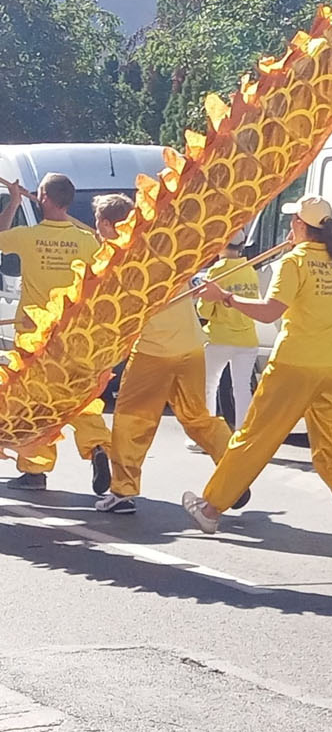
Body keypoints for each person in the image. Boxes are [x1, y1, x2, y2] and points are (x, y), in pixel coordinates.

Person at [184, 195, 332, 549]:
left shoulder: (294, 261)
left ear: (301, 225)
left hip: (294, 364)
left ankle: (211, 509)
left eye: (295, 220)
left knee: (255, 438)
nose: (291, 224)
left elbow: (269, 312)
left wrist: (225, 297)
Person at [89, 195, 234, 514]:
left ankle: (123, 491)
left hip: (153, 351)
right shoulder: (166, 243)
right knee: (198, 418)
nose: (97, 230)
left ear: (107, 224)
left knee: (131, 421)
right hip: (191, 345)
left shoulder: (118, 260)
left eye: (98, 224)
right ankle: (235, 471)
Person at [0, 172, 112, 494]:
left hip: (34, 334)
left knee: (36, 402)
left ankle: (35, 469)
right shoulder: (86, 240)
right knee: (78, 394)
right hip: (73, 333)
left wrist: (14, 202)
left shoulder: (29, 236)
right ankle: (97, 445)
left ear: (45, 199)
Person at [194, 233, 262, 428]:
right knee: (242, 388)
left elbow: (204, 310)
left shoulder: (217, 271)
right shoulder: (249, 269)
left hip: (219, 338)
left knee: (209, 385)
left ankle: (207, 432)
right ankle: (243, 432)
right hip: (247, 338)